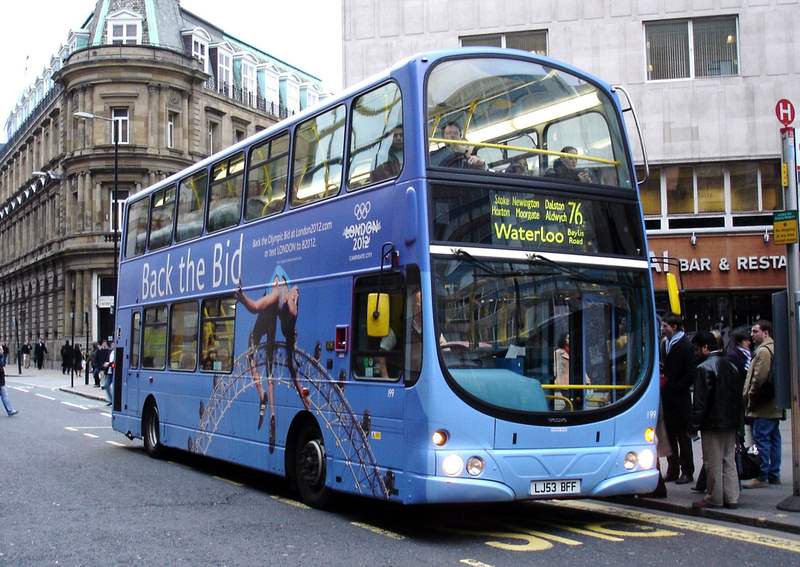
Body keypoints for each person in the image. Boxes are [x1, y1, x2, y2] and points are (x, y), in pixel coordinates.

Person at [234, 268, 308, 452]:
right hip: (268, 314)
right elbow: (255, 307)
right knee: (264, 358)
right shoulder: (281, 294)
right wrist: (242, 298)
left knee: (262, 355)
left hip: (268, 316)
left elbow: (255, 307)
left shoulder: (279, 296)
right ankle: (267, 404)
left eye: (295, 301)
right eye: (295, 298)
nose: (296, 295)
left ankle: (266, 404)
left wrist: (303, 396)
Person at [688, 331, 743, 509]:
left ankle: (714, 497)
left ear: (705, 348)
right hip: (731, 422)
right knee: (729, 460)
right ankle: (731, 497)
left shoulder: (704, 368)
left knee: (713, 461)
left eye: (697, 349)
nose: (696, 353)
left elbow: (700, 402)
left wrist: (693, 426)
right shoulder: (731, 366)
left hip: (712, 423)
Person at [742, 319, 782, 488]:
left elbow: (759, 379)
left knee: (762, 438)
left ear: (766, 333)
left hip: (763, 405)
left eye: (755, 332)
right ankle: (774, 473)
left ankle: (762, 475)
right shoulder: (774, 348)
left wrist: (750, 398)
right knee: (774, 438)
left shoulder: (764, 351)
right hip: (773, 404)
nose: (752, 335)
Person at [659, 313, 696, 485]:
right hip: (667, 396)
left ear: (674, 327)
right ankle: (672, 469)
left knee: (683, 436)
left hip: (679, 398)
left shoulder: (686, 345)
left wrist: (676, 387)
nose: (662, 329)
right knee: (669, 436)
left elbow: (691, 373)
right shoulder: (664, 344)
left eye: (665, 326)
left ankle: (687, 471)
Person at [0, 350, 18, 416]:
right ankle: (10, 410)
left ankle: (10, 411)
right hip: (0, 381)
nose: (3, 351)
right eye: (1, 350)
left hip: (1, 381)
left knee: (5, 396)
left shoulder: (1, 358)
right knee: (4, 396)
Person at [103, 341, 115, 406]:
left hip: (114, 371)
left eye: (113, 344)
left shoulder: (116, 352)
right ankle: (111, 399)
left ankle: (114, 400)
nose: (112, 345)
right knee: (106, 385)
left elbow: (115, 362)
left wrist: (108, 364)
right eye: (111, 344)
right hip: (109, 371)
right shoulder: (111, 352)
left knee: (114, 387)